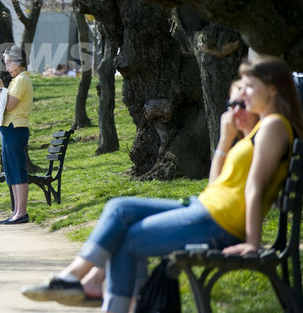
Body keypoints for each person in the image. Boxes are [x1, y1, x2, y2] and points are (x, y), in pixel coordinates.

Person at [22, 56, 303, 313]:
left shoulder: (273, 125)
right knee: (119, 208)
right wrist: (226, 139)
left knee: (128, 238)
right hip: (207, 210)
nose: (244, 93)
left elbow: (254, 187)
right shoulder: (260, 129)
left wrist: (253, 244)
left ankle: (79, 282)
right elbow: (215, 186)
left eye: (250, 87)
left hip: (219, 222)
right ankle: (79, 279)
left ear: (273, 90)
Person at [0, 45, 34, 224]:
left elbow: (9, 106)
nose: (6, 66)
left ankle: (21, 212)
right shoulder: (16, 80)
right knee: (11, 170)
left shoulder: (22, 79)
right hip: (9, 128)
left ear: (19, 62)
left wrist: (1, 88)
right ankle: (17, 210)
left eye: (9, 62)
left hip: (15, 127)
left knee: (17, 169)